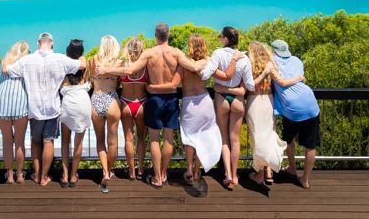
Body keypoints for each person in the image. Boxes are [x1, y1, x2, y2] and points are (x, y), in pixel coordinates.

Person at [105, 23, 240, 189]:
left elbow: (130, 70)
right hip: (171, 99)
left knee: (154, 139)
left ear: (155, 35)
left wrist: (105, 70)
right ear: (168, 35)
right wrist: (207, 60)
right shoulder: (176, 53)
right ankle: (164, 172)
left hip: (154, 99)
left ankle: (156, 177)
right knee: (168, 138)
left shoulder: (149, 53)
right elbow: (194, 66)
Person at [149, 34, 234, 185]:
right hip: (205, 102)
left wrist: (152, 87)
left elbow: (173, 85)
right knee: (202, 136)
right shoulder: (208, 62)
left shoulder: (183, 65)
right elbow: (226, 76)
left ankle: (189, 169)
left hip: (189, 104)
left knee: (189, 138)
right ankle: (197, 171)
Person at [4, 32, 86, 187]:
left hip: (34, 108)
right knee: (48, 142)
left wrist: (6, 59)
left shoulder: (27, 61)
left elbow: (6, 70)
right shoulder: (60, 59)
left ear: (38, 43)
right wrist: (81, 54)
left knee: (36, 141)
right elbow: (81, 65)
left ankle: (36, 174)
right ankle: (44, 177)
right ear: (52, 44)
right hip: (52, 108)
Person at [200, 26, 256, 190]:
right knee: (235, 139)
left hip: (221, 99)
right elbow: (251, 85)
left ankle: (228, 175)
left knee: (224, 139)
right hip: (238, 99)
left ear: (225, 39)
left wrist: (217, 77)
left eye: (220, 37)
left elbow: (204, 74)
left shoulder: (218, 54)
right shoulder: (244, 58)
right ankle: (236, 174)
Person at [244, 41, 304, 187]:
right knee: (269, 135)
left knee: (258, 137)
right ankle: (269, 171)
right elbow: (282, 82)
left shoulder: (248, 64)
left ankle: (259, 174)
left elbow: (249, 85)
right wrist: (298, 78)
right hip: (269, 102)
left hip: (255, 102)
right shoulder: (270, 64)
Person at [270, 39, 320, 189]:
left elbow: (282, 82)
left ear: (273, 51)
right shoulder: (297, 60)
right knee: (310, 145)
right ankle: (305, 179)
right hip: (311, 103)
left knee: (288, 139)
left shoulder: (272, 62)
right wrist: (298, 78)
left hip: (292, 108)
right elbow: (300, 78)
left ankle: (292, 168)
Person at [0, 40, 30, 184]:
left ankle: (9, 175)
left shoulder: (5, 61)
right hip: (20, 101)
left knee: (7, 141)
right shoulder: (26, 63)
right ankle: (20, 174)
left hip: (2, 100)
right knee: (19, 141)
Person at [87, 35, 122, 192]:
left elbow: (88, 80)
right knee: (112, 142)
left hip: (95, 99)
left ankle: (105, 172)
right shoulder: (118, 62)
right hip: (111, 99)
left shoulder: (92, 60)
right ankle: (110, 169)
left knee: (100, 141)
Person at [59, 39, 90, 188]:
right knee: (78, 143)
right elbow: (83, 61)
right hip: (83, 103)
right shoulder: (84, 65)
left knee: (65, 142)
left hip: (68, 104)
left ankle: (64, 176)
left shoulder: (63, 65)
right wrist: (80, 55)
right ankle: (73, 176)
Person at [119, 37, 148, 181]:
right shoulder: (145, 66)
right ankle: (141, 169)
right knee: (141, 138)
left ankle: (131, 171)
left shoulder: (123, 65)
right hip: (141, 103)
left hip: (125, 103)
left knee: (128, 139)